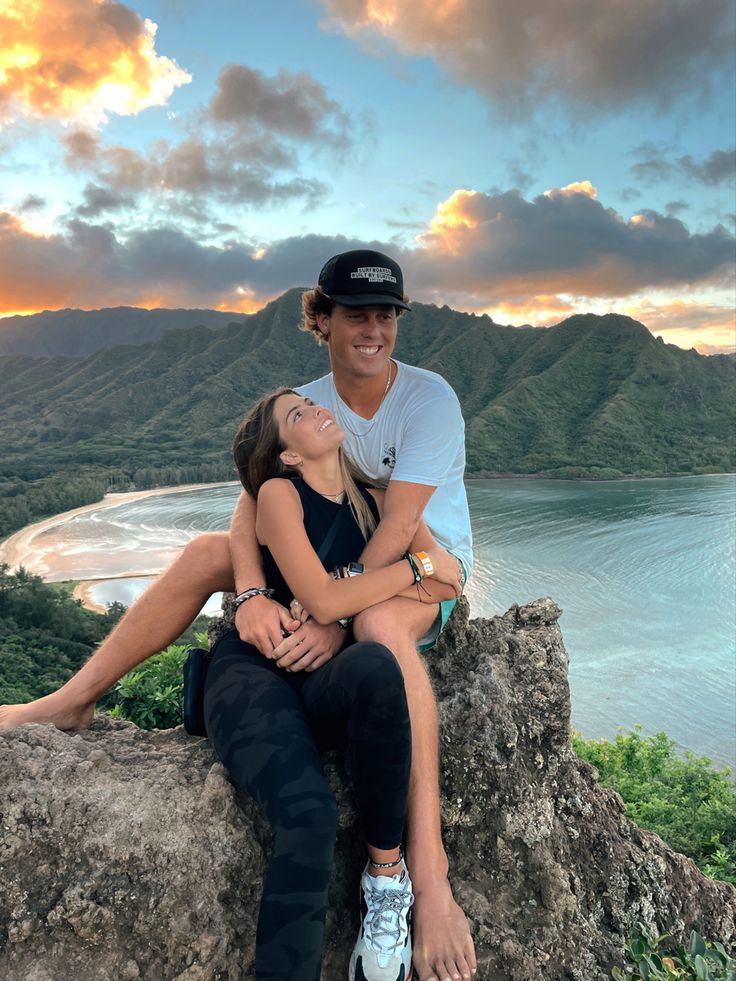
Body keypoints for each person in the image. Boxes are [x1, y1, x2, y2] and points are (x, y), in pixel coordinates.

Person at [0, 249, 477, 981]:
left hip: (421, 567)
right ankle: (70, 701)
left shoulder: (428, 398)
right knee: (201, 554)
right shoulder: (309, 401)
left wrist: (332, 618)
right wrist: (252, 592)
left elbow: (396, 528)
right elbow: (251, 502)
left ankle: (428, 882)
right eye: (356, 314)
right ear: (322, 320)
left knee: (380, 631)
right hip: (332, 563)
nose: (374, 329)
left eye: (386, 314)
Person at [211, 386, 460, 981]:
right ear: (289, 454)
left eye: (312, 405)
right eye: (299, 416)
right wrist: (411, 570)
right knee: (310, 815)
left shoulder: (375, 501)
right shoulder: (279, 493)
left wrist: (401, 577)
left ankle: (386, 880)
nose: (320, 410)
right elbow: (324, 596)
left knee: (379, 666)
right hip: (257, 672)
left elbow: (449, 582)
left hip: (323, 680)